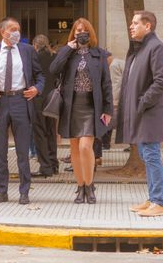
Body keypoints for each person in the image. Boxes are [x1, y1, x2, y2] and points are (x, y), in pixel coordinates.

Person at [0, 17, 45, 205]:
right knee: (0, 152)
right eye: (12, 29)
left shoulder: (27, 50)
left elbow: (40, 75)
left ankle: (24, 192)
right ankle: (1, 191)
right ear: (2, 31)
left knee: (23, 151)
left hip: (21, 101)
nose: (16, 33)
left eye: (18, 29)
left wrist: (37, 88)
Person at [49, 18, 112, 204]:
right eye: (77, 31)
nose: (81, 33)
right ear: (73, 34)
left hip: (92, 106)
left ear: (90, 33)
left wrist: (108, 109)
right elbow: (53, 69)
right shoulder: (68, 53)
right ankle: (80, 186)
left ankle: (90, 185)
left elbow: (106, 83)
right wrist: (68, 48)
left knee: (86, 146)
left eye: (84, 30)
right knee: (75, 148)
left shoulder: (99, 55)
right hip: (71, 105)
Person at [117, 11, 163, 217]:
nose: (131, 26)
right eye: (131, 23)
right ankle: (152, 198)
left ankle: (159, 202)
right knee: (146, 156)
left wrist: (142, 103)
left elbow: (162, 81)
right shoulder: (139, 50)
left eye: (135, 23)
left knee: (151, 155)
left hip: (149, 114)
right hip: (140, 114)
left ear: (147, 26)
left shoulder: (157, 48)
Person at [30, 34, 59, 177]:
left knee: (40, 133)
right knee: (51, 132)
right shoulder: (54, 57)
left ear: (35, 45)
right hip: (53, 99)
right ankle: (54, 164)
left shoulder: (34, 58)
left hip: (38, 100)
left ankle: (45, 166)